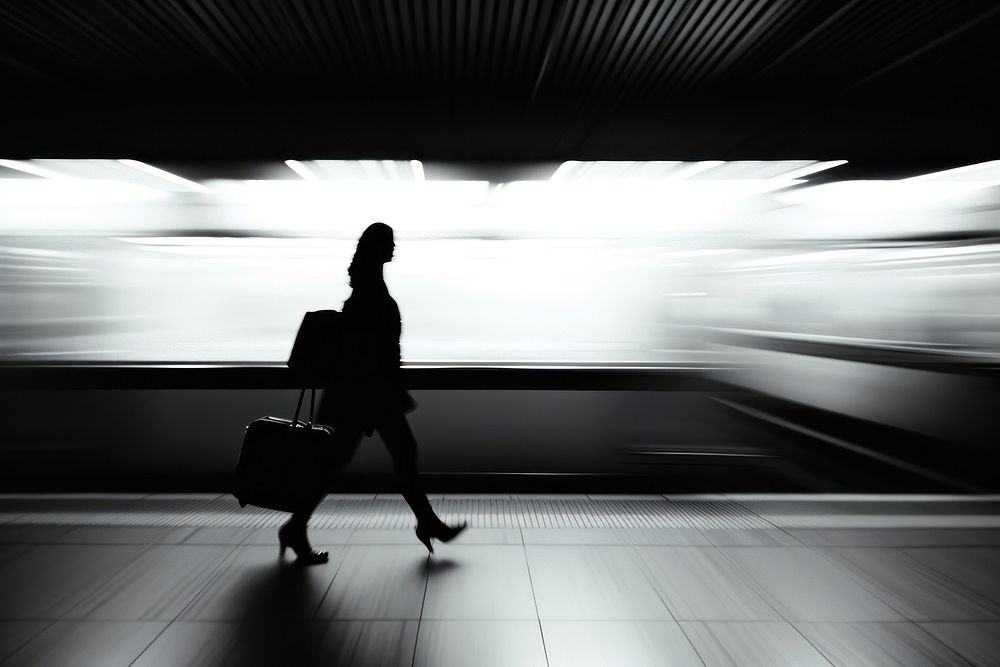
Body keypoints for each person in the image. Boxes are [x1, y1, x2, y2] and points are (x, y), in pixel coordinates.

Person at [278, 222, 466, 564]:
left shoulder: (366, 286)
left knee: (370, 458)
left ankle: (426, 522)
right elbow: (370, 350)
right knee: (351, 462)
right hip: (365, 395)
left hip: (364, 394)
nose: (394, 248)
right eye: (389, 243)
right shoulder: (370, 291)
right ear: (377, 247)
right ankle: (296, 526)